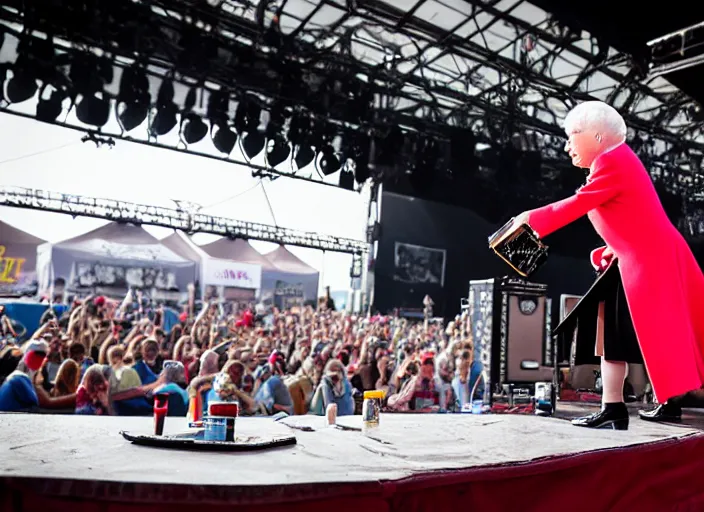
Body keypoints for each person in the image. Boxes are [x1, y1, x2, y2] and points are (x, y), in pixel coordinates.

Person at [512, 101, 704, 429]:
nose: (567, 143)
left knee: (620, 334)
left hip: (647, 262)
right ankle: (639, 403)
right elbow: (634, 219)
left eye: (573, 134)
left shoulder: (611, 162)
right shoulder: (618, 161)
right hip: (643, 258)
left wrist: (530, 219)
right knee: (645, 332)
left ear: (598, 136)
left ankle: (617, 406)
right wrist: (612, 250)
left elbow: (577, 205)